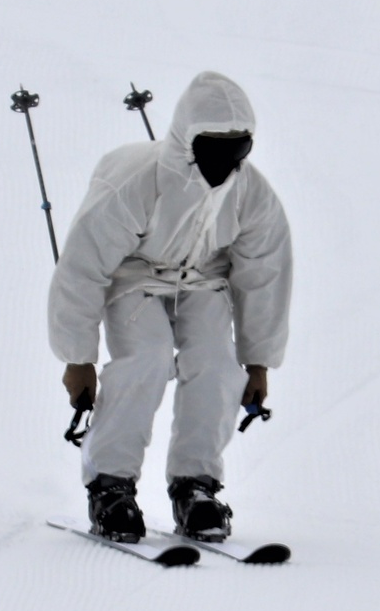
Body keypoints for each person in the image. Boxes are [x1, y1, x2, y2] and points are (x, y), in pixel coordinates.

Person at [48, 70, 292, 543]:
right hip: (134, 274)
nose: (227, 160)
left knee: (219, 366)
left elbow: (264, 275)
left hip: (203, 280)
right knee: (146, 358)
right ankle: (110, 485)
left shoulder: (251, 194)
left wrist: (257, 361)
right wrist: (78, 359)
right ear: (187, 141)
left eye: (239, 148)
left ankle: (195, 485)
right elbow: (81, 269)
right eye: (214, 147)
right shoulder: (136, 184)